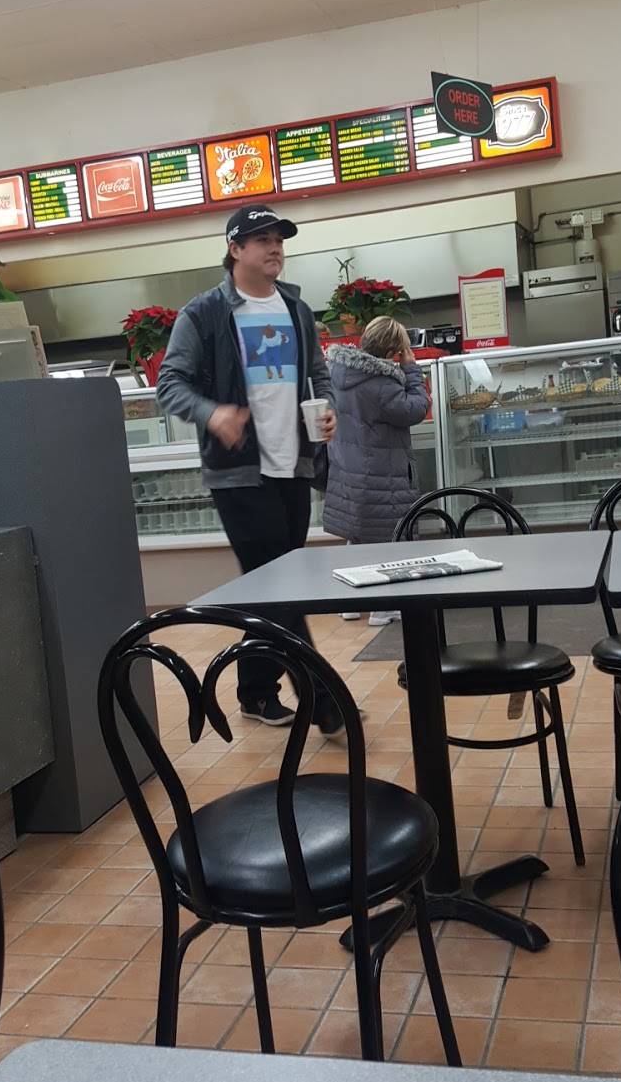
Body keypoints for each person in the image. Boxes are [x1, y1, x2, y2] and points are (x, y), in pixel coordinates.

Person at [158, 202, 341, 732]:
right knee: (284, 587)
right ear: (235, 249)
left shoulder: (296, 309)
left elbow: (317, 373)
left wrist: (327, 407)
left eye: (279, 239)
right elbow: (170, 383)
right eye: (262, 240)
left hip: (293, 465)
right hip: (239, 472)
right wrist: (212, 413)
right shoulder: (205, 313)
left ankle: (256, 692)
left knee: (272, 589)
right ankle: (323, 698)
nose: (274, 248)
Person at [322, 316, 430, 627]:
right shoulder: (382, 384)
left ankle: (350, 603)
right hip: (381, 474)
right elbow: (414, 409)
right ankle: (383, 608)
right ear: (393, 352)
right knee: (387, 541)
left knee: (358, 537)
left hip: (347, 471)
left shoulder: (339, 372)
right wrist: (412, 371)